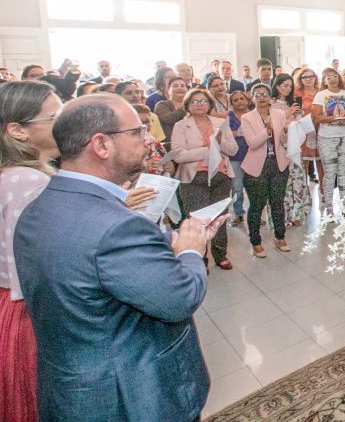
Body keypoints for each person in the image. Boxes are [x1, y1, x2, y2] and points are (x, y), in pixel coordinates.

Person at [14, 93, 218, 422]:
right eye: (136, 132)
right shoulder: (118, 227)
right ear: (101, 144)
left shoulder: (40, 207)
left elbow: (88, 266)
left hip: (72, 390)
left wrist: (161, 243)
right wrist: (191, 249)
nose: (147, 139)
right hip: (130, 397)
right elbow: (180, 297)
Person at [0, 81, 61, 422]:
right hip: (29, 310)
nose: (64, 123)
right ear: (17, 130)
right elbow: (40, 262)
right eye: (54, 117)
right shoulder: (28, 182)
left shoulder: (17, 175)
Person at [171, 88, 238, 270]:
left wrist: (220, 143)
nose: (199, 105)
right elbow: (178, 155)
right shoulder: (181, 126)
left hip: (221, 175)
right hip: (193, 178)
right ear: (187, 105)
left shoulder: (220, 122)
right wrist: (207, 149)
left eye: (203, 101)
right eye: (194, 102)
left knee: (219, 217)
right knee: (197, 221)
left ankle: (220, 254)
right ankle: (200, 258)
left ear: (209, 104)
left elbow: (233, 149)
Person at [241, 83, 292, 256]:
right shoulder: (247, 118)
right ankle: (255, 241)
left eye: (265, 94)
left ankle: (280, 236)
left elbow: (284, 141)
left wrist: (285, 130)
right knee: (257, 205)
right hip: (256, 167)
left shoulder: (279, 114)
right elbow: (252, 143)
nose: (262, 98)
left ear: (270, 97)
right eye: (258, 94)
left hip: (278, 163)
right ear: (252, 97)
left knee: (277, 202)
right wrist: (267, 131)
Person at [312, 68, 345, 212]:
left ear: (338, 77)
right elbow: (317, 117)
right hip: (327, 137)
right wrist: (334, 118)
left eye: (334, 76)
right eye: (328, 77)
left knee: (344, 172)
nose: (332, 79)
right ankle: (329, 207)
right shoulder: (321, 95)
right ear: (324, 81)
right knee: (330, 172)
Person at [271, 74, 310, 227]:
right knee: (283, 181)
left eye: (290, 86)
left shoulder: (293, 103)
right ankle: (283, 214)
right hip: (278, 146)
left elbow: (299, 122)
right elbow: (272, 124)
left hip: (294, 144)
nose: (288, 88)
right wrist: (287, 115)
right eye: (285, 85)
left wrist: (301, 118)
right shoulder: (271, 103)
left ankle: (297, 213)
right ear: (277, 86)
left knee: (297, 179)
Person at [296, 67, 323, 188]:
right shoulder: (297, 93)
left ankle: (323, 190)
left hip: (320, 129)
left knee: (321, 161)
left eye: (310, 76)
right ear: (300, 79)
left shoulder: (321, 92)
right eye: (304, 77)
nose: (308, 79)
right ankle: (305, 193)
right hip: (304, 130)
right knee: (304, 162)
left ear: (315, 78)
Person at [227, 91, 250, 226]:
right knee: (237, 187)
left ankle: (256, 213)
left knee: (254, 186)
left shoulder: (254, 114)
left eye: (242, 98)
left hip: (252, 155)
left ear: (247, 100)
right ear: (232, 104)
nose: (240, 101)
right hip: (234, 156)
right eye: (236, 100)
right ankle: (238, 213)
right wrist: (237, 133)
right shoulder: (229, 117)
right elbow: (225, 135)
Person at [132, 104, 175, 177]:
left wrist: (170, 168)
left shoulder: (155, 144)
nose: (145, 125)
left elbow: (169, 169)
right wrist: (144, 169)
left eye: (147, 121)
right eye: (141, 122)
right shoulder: (125, 146)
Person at [154, 76, 188, 149]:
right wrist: (185, 108)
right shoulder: (162, 105)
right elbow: (169, 119)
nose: (180, 88)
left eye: (183, 86)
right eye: (175, 86)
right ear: (168, 90)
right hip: (170, 146)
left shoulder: (192, 105)